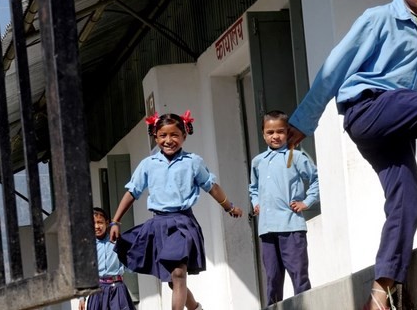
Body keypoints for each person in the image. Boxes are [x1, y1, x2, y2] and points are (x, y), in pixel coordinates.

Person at [287, 0, 417, 309]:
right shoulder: (378, 19)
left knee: (409, 201)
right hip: (368, 109)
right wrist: (305, 119)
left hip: (397, 122)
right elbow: (335, 66)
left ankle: (378, 294)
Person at [109, 111, 243, 310]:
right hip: (158, 225)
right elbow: (132, 192)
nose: (169, 140)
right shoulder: (148, 164)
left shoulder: (193, 162)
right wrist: (116, 221)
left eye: (174, 135)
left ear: (184, 136)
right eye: (163, 135)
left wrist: (229, 206)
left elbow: (211, 186)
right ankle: (196, 308)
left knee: (179, 274)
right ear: (155, 137)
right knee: (174, 280)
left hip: (182, 223)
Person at [249, 110, 319, 306]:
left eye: (280, 131)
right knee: (272, 277)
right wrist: (256, 203)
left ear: (288, 132)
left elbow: (316, 180)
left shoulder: (295, 156)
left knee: (299, 275)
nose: (275, 136)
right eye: (270, 132)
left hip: (291, 227)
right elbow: (253, 188)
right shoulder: (258, 162)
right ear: (263, 133)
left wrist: (307, 202)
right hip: (267, 228)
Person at [78, 207, 136, 310]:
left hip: (117, 290)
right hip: (96, 292)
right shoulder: (87, 247)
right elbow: (84, 274)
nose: (97, 226)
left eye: (100, 222)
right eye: (93, 223)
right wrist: (82, 298)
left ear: (107, 223)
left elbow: (129, 265)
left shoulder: (117, 242)